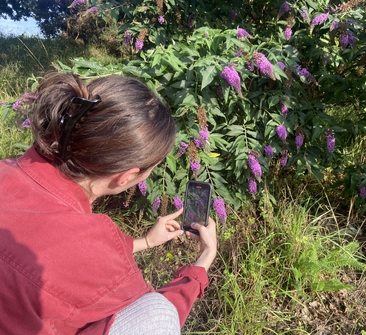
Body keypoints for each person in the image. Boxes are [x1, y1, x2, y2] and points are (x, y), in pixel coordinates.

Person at [0, 73, 217, 334]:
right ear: (126, 176)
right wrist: (203, 261)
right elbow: (156, 317)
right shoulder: (93, 247)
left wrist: (145, 242)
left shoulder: (6, 169)